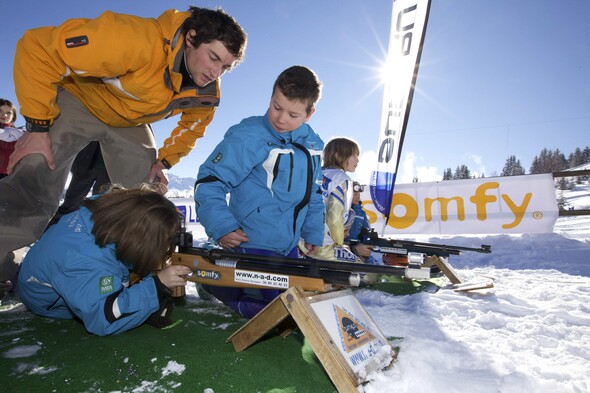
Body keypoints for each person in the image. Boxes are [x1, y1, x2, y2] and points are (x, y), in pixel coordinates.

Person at [0, 7, 247, 285]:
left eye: (225, 67)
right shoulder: (136, 40)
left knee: (145, 193)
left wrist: (163, 161)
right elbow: (38, 48)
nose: (216, 72)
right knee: (36, 168)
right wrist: (36, 127)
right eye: (213, 57)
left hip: (130, 121)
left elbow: (192, 127)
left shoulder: (207, 92)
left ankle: (138, 271)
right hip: (80, 99)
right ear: (191, 38)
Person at [194, 65, 325, 319]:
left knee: (294, 305)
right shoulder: (249, 135)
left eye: (293, 114)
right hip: (251, 241)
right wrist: (222, 226)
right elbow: (211, 180)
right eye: (276, 106)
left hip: (288, 245)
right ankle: (215, 284)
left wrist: (312, 231)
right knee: (274, 311)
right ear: (271, 97)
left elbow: (314, 193)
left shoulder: (312, 145)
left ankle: (232, 288)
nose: (281, 119)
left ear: (309, 114)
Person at [16, 185, 192, 336]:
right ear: (139, 238)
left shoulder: (107, 214)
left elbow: (113, 254)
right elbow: (104, 318)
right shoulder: (86, 260)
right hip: (51, 306)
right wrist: (156, 285)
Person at [308, 137, 362, 263]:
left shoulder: (314, 173)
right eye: (354, 155)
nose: (357, 160)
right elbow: (335, 218)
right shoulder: (342, 179)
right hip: (321, 244)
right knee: (369, 275)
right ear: (338, 155)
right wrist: (339, 245)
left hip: (299, 239)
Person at [46, 141, 110, 229]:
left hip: (107, 171)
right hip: (86, 166)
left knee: (100, 209)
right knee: (71, 203)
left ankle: (89, 236)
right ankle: (52, 231)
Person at [345, 181, 375, 261]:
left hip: (356, 244)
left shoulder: (362, 213)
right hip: (343, 244)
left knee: (371, 263)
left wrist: (367, 243)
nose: (358, 198)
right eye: (355, 195)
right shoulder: (342, 210)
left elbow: (366, 230)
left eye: (359, 195)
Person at [0, 98, 24, 179]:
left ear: (13, 116)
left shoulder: (17, 134)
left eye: (8, 113)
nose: (4, 115)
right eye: (0, 111)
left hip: (9, 175)